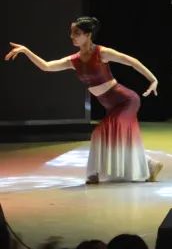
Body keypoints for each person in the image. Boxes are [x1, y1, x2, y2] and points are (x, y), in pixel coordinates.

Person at [6, 16, 162, 183]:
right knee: (116, 137)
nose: (72, 36)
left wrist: (153, 80)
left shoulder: (102, 53)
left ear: (88, 35)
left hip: (126, 101)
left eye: (77, 33)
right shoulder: (74, 61)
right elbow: (46, 66)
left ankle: (94, 174)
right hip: (111, 106)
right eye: (71, 32)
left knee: (100, 133)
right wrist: (26, 51)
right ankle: (150, 165)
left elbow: (132, 61)